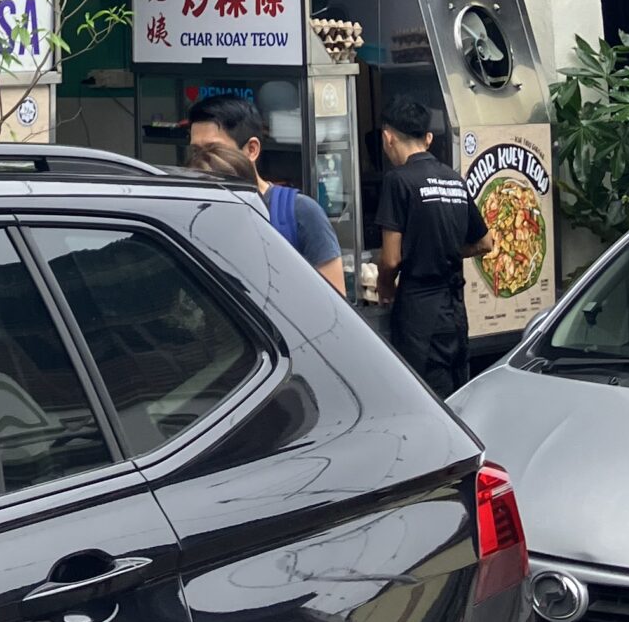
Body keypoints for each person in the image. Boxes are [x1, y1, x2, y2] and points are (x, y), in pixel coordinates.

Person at [373, 93, 491, 396]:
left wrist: (385, 287)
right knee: (456, 398)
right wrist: (447, 249)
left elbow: (390, 259)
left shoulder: (398, 181)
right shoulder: (453, 179)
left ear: (388, 137)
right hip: (455, 313)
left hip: (419, 316)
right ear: (427, 138)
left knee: (424, 399)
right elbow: (485, 242)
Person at [187, 93, 347, 295]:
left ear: (251, 149)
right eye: (196, 151)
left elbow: (335, 303)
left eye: (214, 149)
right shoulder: (196, 214)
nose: (203, 160)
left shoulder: (300, 212)